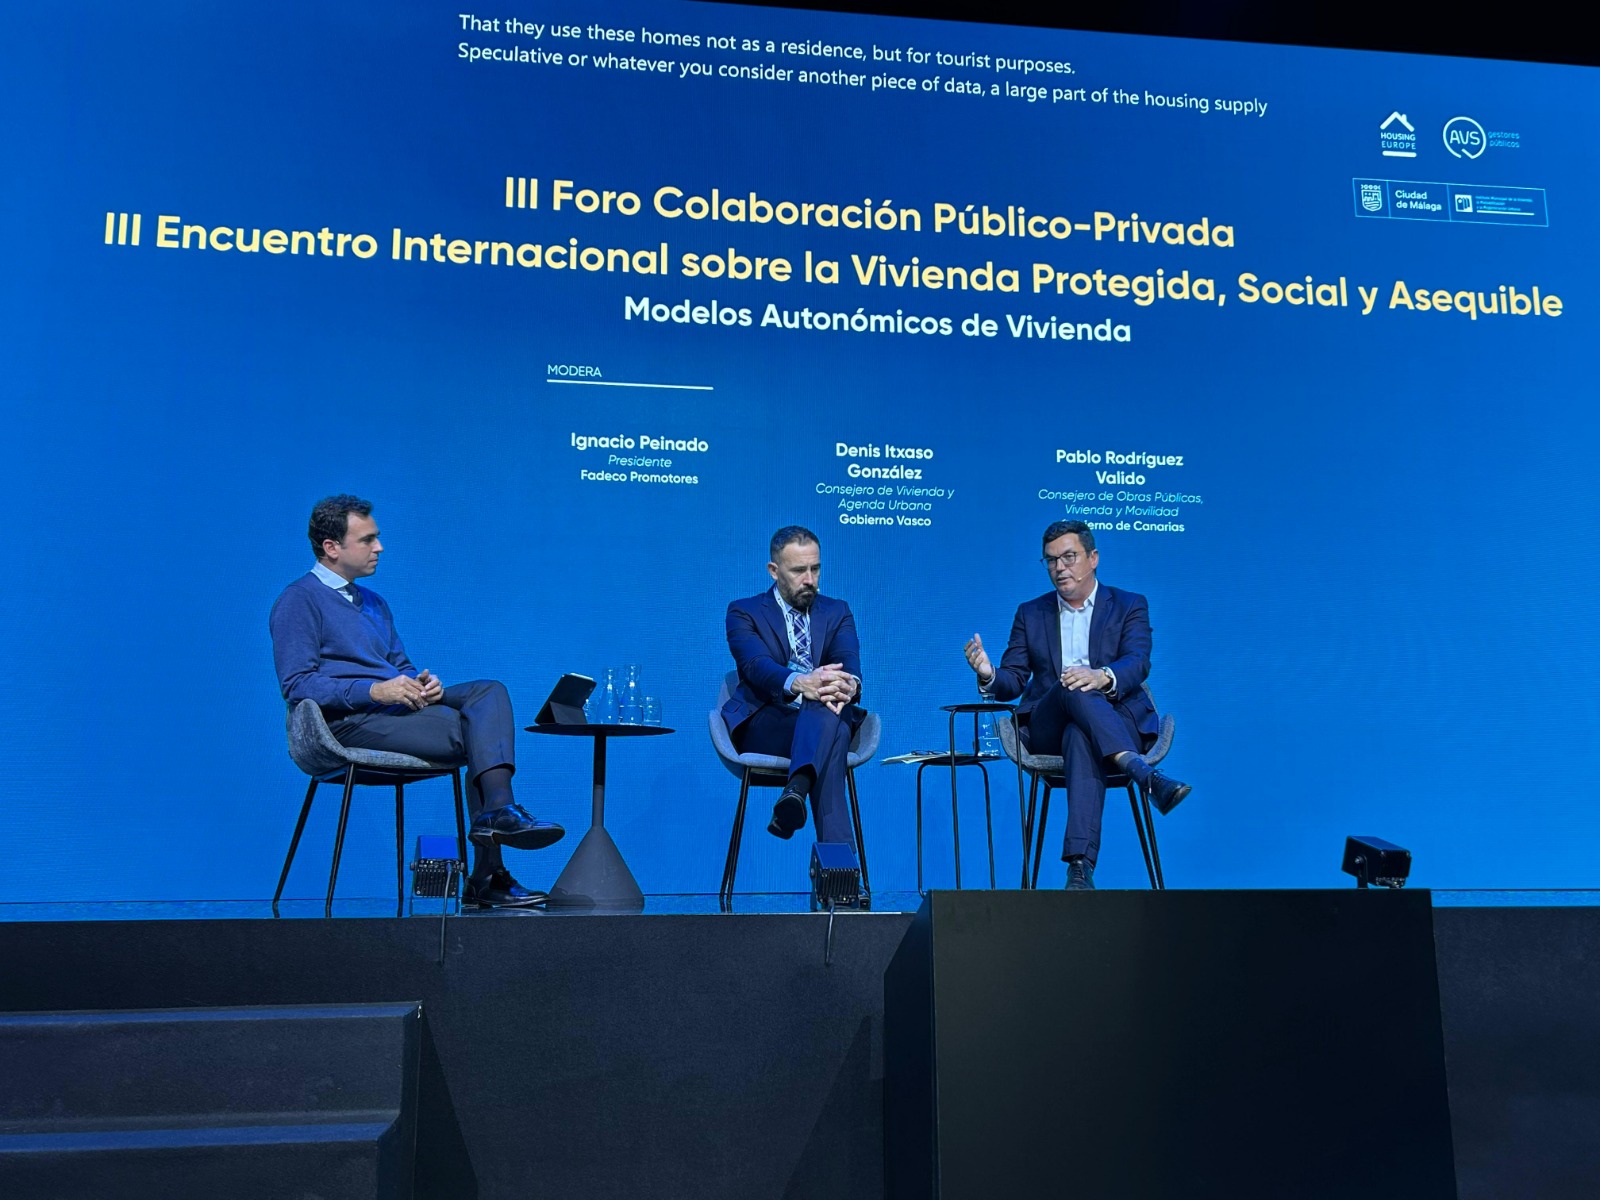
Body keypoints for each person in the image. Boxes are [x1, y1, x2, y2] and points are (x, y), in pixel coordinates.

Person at [269, 495, 564, 908]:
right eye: (367, 540)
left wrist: (422, 685)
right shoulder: (299, 600)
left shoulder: (374, 603)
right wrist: (374, 691)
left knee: (489, 692)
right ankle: (489, 869)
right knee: (478, 732)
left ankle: (497, 813)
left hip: (396, 711)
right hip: (349, 722)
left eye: (377, 537)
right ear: (331, 547)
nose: (379, 547)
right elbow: (298, 685)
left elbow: (400, 667)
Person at [963, 519, 1191, 890]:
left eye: (1068, 557)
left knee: (1079, 733)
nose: (1059, 568)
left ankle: (1079, 869)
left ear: (1093, 558)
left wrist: (1101, 676)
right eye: (1051, 560)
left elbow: (1137, 662)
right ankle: (1143, 775)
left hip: (1116, 719)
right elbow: (1013, 680)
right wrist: (989, 673)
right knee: (1071, 685)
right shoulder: (1031, 613)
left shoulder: (1129, 605)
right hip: (1048, 726)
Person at [723, 526, 866, 846]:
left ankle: (796, 791)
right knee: (831, 720)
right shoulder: (743, 611)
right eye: (799, 570)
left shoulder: (837, 611)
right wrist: (802, 683)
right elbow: (756, 665)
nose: (810, 579)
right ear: (774, 571)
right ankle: (840, 867)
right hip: (767, 721)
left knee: (828, 705)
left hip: (824, 716)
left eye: (815, 569)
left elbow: (847, 659)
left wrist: (848, 685)